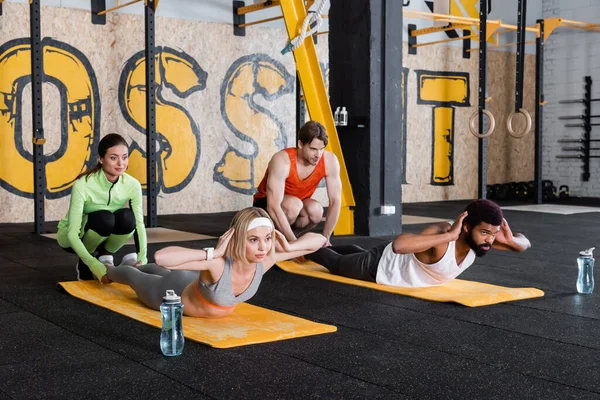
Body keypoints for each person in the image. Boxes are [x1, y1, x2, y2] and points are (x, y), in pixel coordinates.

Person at [105, 207, 327, 318]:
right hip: (172, 291)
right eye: (253, 240)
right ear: (239, 239)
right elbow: (162, 257)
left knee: (155, 269)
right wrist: (215, 252)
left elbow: (320, 240)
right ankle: (110, 269)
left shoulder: (265, 260)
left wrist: (288, 246)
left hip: (191, 280)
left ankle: (133, 263)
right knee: (134, 276)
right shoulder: (218, 263)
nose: (263, 247)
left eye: (267, 238)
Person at [305, 199, 531, 287]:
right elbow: (398, 246)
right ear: (466, 226)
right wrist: (449, 236)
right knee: (335, 263)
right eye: (484, 232)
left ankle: (329, 247)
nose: (489, 240)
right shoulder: (444, 234)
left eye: (492, 233)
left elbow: (526, 243)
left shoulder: (480, 241)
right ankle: (299, 247)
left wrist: (511, 241)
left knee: (354, 252)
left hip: (381, 258)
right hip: (379, 267)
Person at [57, 133, 147, 283]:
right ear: (100, 159)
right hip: (71, 237)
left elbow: (139, 224)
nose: (121, 163)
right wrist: (95, 266)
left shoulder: (132, 185)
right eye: (113, 158)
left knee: (127, 218)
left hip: (104, 229)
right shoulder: (83, 184)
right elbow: (72, 234)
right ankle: (87, 262)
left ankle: (106, 257)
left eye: (125, 157)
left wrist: (142, 258)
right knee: (104, 218)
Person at [253, 120, 342, 246]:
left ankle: (287, 237)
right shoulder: (282, 160)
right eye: (313, 149)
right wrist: (294, 245)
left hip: (296, 206)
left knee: (316, 211)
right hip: (264, 208)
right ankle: (278, 239)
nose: (318, 155)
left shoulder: (329, 160)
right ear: (300, 144)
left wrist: (325, 238)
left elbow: (335, 201)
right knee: (293, 206)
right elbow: (273, 206)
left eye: (321, 149)